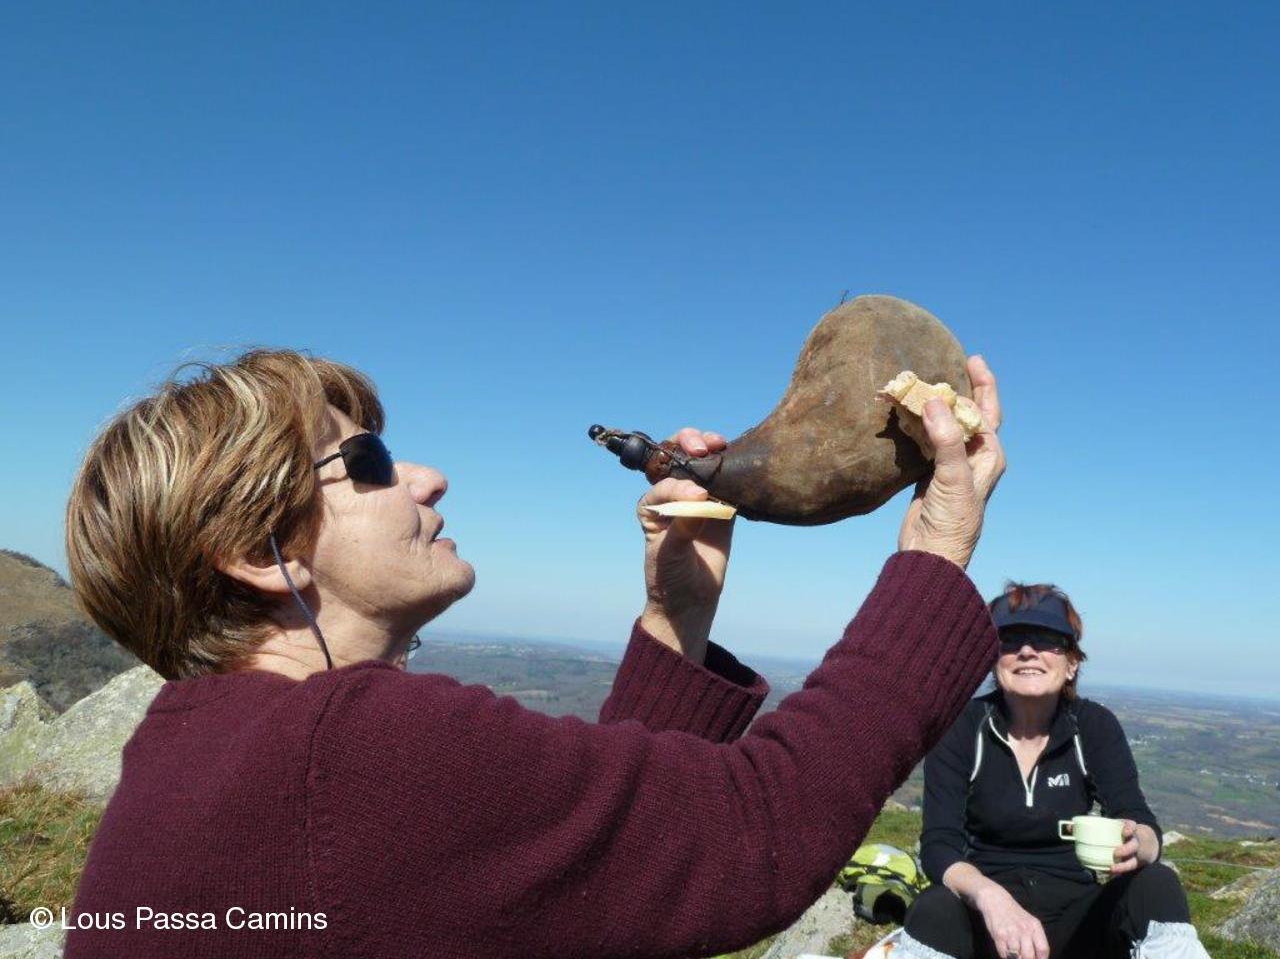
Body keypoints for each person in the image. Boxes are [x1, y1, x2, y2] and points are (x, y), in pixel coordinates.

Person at [62, 348, 1004, 958]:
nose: (429, 478)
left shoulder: (193, 759)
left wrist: (676, 614)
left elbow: (588, 867)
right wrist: (935, 556)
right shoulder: (355, 751)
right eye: (371, 464)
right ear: (254, 551)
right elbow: (754, 830)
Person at [898, 584, 1210, 959]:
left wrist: (1138, 845)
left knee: (1157, 883)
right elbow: (939, 845)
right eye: (1010, 640)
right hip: (987, 924)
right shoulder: (962, 727)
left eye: (1047, 639)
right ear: (993, 660)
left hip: (1078, 924)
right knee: (934, 907)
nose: (1027, 651)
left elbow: (1140, 821)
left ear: (1072, 663)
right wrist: (990, 897)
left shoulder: (1092, 725)